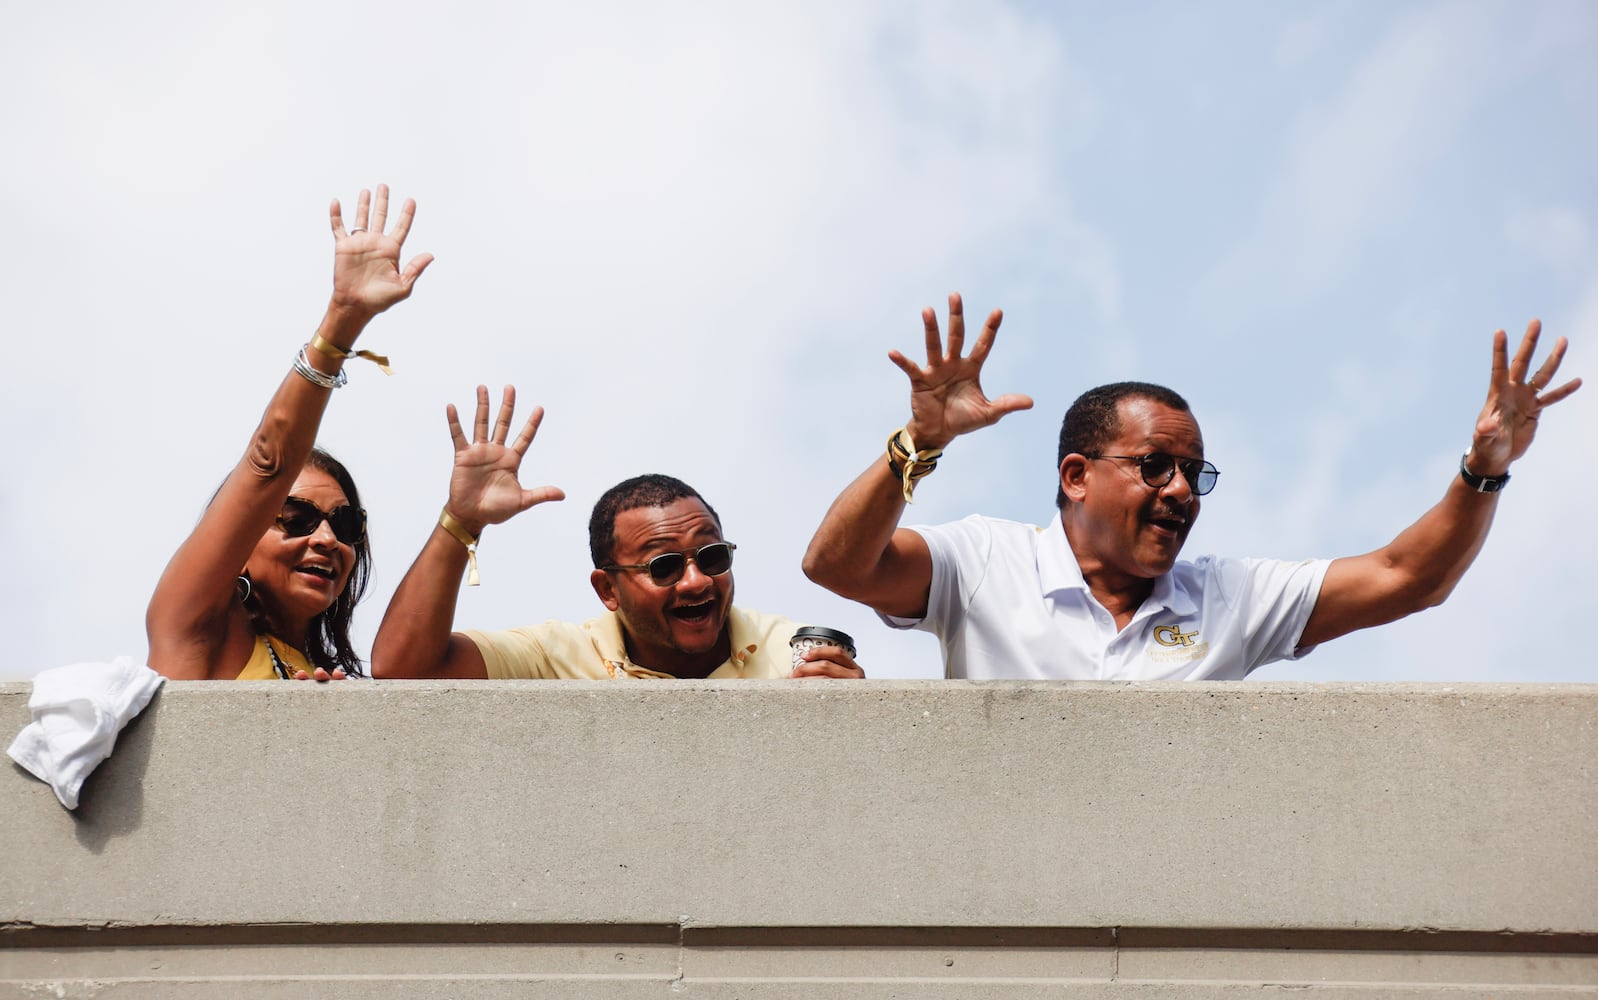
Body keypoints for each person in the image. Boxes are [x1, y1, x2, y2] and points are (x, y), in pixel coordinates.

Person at [802, 293, 1581, 680]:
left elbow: (1408, 577)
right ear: (1076, 476)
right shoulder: (982, 564)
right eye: (1155, 467)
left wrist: (1485, 470)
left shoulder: (1228, 598)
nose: (1182, 491)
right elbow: (837, 566)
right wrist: (921, 443)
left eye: (1194, 472)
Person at [370, 387, 866, 680]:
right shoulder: (561, 658)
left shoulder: (784, 652)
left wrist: (850, 704)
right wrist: (462, 522)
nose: (696, 582)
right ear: (607, 589)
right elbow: (402, 667)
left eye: (712, 556)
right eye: (664, 566)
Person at [146, 185, 432, 680]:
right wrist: (343, 322)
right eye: (297, 517)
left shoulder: (332, 681)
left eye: (346, 526)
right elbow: (267, 464)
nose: (326, 539)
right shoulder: (195, 625)